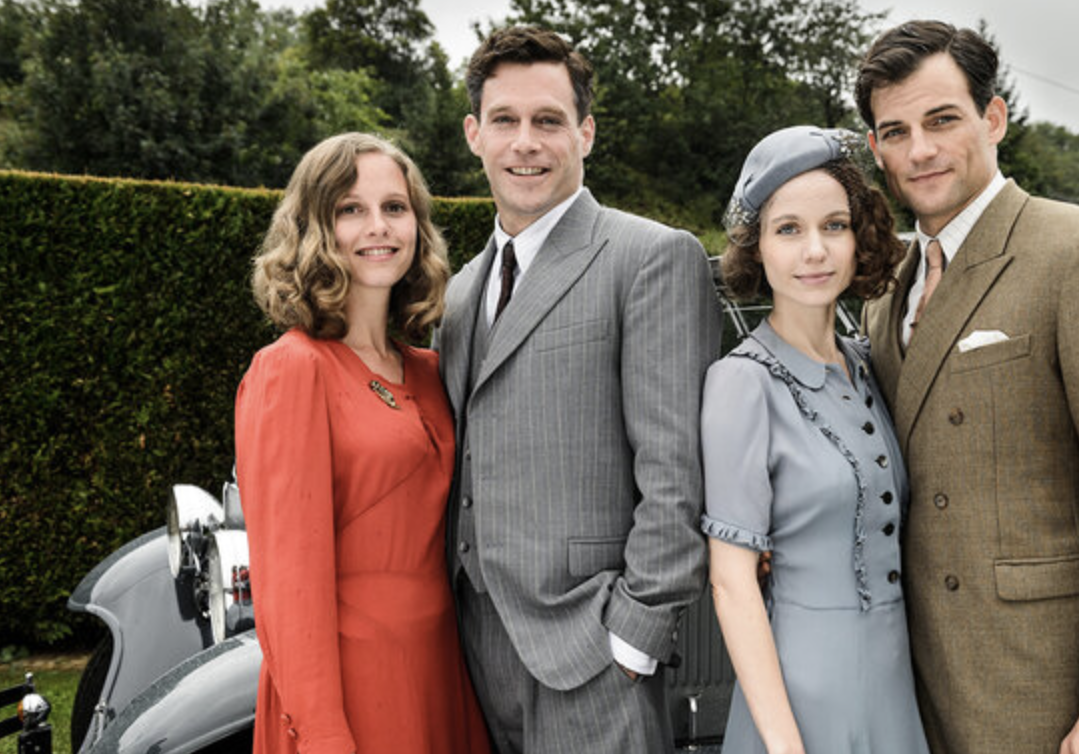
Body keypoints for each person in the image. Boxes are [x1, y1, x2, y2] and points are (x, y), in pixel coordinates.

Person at [853, 20, 1079, 754]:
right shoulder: (885, 291)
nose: (921, 149)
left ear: (994, 117)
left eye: (942, 120)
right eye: (895, 131)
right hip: (907, 683)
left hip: (1040, 684)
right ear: (878, 148)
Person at [434, 26, 721, 753]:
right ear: (475, 134)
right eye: (505, 121)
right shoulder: (460, 291)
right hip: (473, 646)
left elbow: (675, 468)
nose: (525, 143)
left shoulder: (650, 257)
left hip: (595, 649)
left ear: (585, 133)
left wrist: (634, 637)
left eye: (548, 121)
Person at [235, 132, 491, 754]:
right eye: (351, 209)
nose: (378, 226)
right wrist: (324, 733)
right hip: (349, 686)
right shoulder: (290, 370)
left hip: (442, 669)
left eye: (395, 207)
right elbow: (288, 587)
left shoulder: (433, 370)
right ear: (316, 228)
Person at [702, 125, 931, 754]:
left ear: (860, 238)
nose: (815, 252)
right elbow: (732, 582)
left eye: (834, 226)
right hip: (801, 696)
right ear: (758, 250)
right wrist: (784, 743)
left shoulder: (867, 364)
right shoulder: (741, 383)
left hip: (894, 684)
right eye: (788, 230)